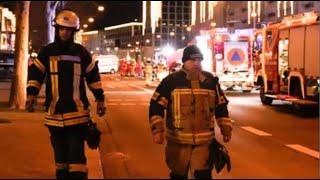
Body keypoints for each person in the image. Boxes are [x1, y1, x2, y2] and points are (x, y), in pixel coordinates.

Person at [26, 9, 106, 179]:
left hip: (77, 116)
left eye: (69, 30)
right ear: (57, 29)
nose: (65, 32)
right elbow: (36, 74)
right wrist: (31, 94)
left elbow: (93, 77)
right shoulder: (47, 52)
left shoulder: (81, 52)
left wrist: (100, 99)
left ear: (73, 32)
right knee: (61, 162)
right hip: (54, 116)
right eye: (62, 28)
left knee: (77, 162)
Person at [148, 45, 234, 179]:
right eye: (193, 60)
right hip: (178, 143)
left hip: (204, 143)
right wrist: (157, 131)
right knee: (178, 175)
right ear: (184, 61)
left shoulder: (210, 81)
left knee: (203, 175)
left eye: (199, 60)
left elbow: (221, 107)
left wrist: (226, 129)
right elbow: (156, 106)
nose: (197, 64)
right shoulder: (171, 81)